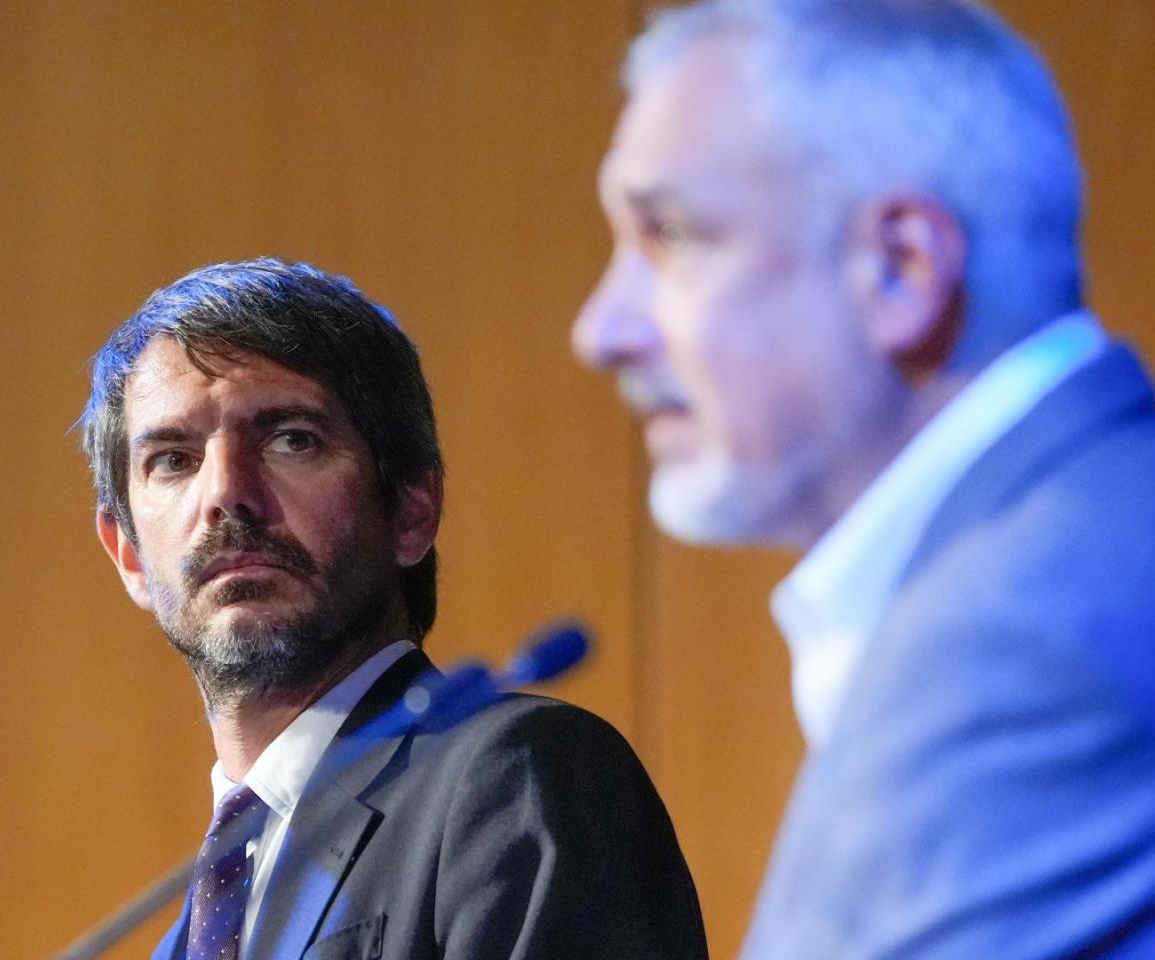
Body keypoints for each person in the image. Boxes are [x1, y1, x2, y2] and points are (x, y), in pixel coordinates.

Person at [571, 1, 1155, 957]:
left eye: (672, 236)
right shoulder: (1084, 557)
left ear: (900, 266)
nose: (601, 330)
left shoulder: (1037, 649)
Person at [81, 257, 706, 960]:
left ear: (412, 509)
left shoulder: (513, 778)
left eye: (291, 439)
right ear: (128, 554)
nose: (226, 493)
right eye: (172, 459)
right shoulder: (184, 932)